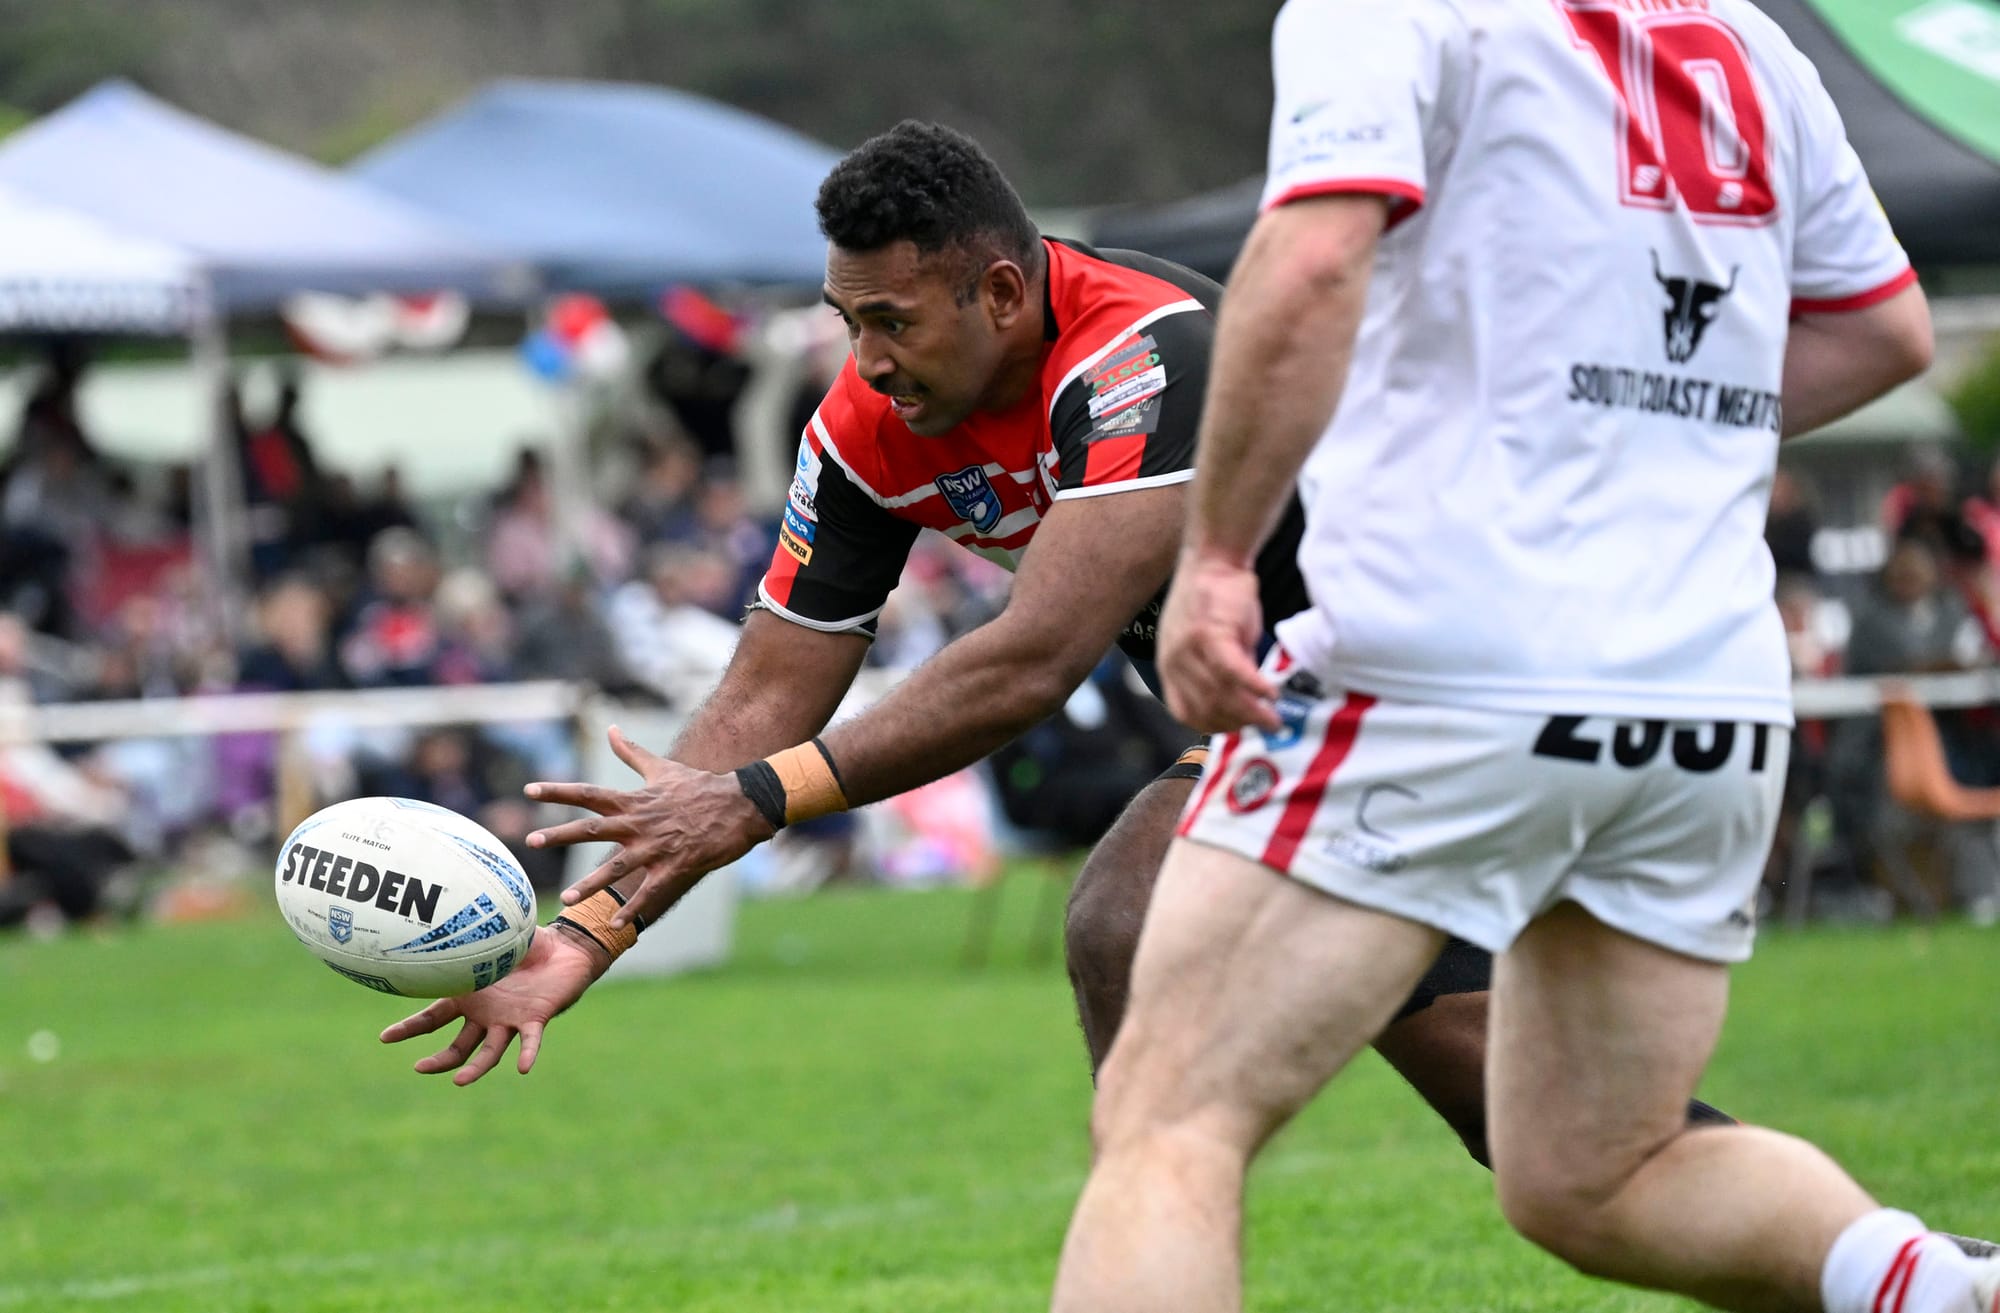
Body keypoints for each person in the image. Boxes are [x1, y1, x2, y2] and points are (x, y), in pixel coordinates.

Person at [373, 119, 1995, 1261]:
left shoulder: (1144, 348)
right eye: (844, 319)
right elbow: (760, 696)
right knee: (1560, 1147)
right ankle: (1919, 1275)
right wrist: (586, 933)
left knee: (1125, 926)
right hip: (1316, 719)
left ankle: (1148, 1241)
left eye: (892, 319)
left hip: (1450, 676)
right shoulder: (866, 428)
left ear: (1001, 290)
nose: (864, 358)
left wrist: (761, 800)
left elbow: (1036, 655)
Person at [1049, 3, 1983, 1312]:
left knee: (1171, 1119)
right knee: (1598, 1171)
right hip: (1704, 694)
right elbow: (1885, 331)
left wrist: (1215, 561)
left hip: (1452, 654)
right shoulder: (1752, 43)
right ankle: (1939, 1288)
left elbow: (1310, 261)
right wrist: (1650, 450)